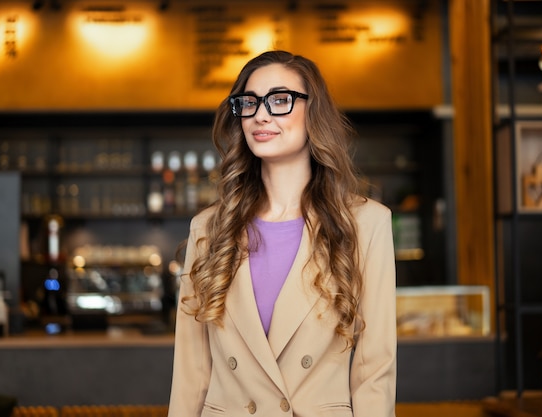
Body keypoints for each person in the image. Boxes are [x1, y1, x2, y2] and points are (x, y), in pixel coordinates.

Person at [168, 50, 396, 417]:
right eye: (249, 102)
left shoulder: (366, 223)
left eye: (279, 100)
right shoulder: (210, 228)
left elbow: (374, 371)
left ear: (313, 112)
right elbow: (191, 372)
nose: (261, 114)